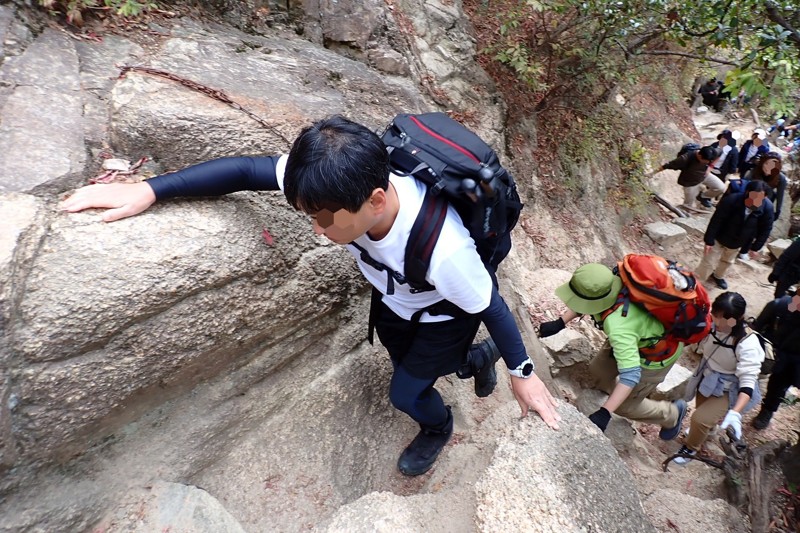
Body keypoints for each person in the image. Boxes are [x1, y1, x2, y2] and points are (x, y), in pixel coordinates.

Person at [61, 115, 561, 477]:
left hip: (442, 314)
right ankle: (472, 360)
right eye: (310, 216)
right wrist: (150, 189)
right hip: (393, 300)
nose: (319, 231)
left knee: (405, 391)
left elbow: (490, 305)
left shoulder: (444, 251)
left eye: (324, 219)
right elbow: (245, 171)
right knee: (406, 357)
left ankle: (440, 424)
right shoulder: (333, 178)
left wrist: (525, 376)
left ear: (377, 200)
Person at [537, 264, 687, 439]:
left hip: (655, 355)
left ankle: (672, 414)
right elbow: (589, 297)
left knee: (624, 406)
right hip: (633, 336)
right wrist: (561, 322)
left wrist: (605, 412)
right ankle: (616, 392)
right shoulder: (616, 280)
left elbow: (631, 375)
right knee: (598, 371)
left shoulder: (618, 327)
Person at [673, 292, 763, 464]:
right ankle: (708, 430)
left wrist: (736, 412)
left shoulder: (747, 344)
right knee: (703, 412)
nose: (717, 324)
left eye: (723, 320)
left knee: (699, 418)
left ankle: (691, 448)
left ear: (735, 319)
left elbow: (748, 382)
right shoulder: (711, 324)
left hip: (728, 388)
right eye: (716, 317)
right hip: (706, 376)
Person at [696, 180, 774, 290]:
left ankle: (718, 276)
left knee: (727, 261)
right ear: (747, 192)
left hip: (739, 240)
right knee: (708, 261)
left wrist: (756, 247)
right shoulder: (732, 200)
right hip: (720, 236)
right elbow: (716, 220)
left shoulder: (767, 208)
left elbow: (766, 228)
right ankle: (697, 281)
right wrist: (709, 240)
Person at [751, 293, 800, 429]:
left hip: (795, 360)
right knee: (772, 383)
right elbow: (756, 328)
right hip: (773, 351)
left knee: (780, 386)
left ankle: (768, 409)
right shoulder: (780, 306)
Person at [737, 151, 788, 260]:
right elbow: (743, 186)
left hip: (764, 204)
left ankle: (744, 250)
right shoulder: (753, 172)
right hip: (748, 199)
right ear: (762, 163)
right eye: (767, 164)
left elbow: (780, 195)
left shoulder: (780, 178)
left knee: (754, 228)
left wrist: (777, 211)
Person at [654, 145, 723, 210]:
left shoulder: (710, 154)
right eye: (706, 161)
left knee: (720, 188)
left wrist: (710, 167)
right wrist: (652, 173)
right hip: (690, 183)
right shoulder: (685, 158)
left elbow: (720, 152)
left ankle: (703, 197)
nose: (708, 162)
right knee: (688, 206)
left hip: (704, 175)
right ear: (699, 155)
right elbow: (667, 165)